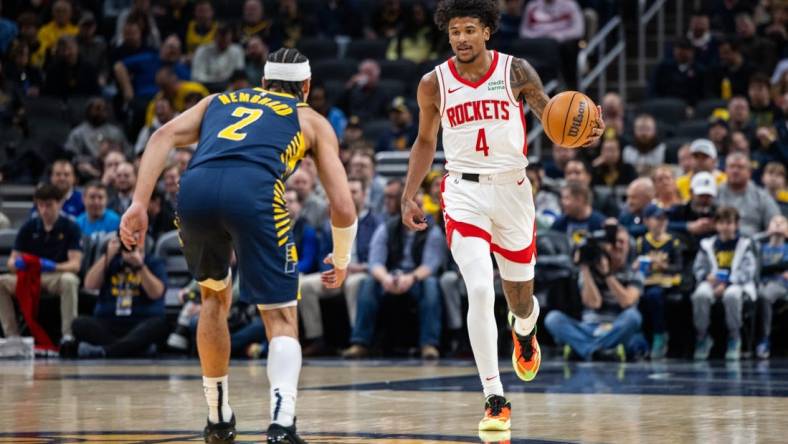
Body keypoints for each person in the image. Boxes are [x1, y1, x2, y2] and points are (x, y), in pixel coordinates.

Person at [119, 47, 356, 444]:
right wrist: (343, 258)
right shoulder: (309, 119)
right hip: (255, 192)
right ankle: (281, 424)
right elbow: (344, 207)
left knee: (213, 298)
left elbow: (162, 137)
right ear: (307, 87)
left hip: (194, 190)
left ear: (262, 83)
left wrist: (139, 204)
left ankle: (217, 414)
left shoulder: (218, 101)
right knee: (280, 318)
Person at [400, 0, 603, 432]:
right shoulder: (433, 83)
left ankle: (524, 331)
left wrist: (582, 133)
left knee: (520, 301)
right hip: (463, 191)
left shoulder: (516, 71)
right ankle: (495, 397)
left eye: (469, 29)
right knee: (477, 287)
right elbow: (423, 141)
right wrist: (407, 194)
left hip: (513, 190)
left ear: (487, 31)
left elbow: (552, 116)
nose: (461, 38)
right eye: (454, 31)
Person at [545, 224, 644, 361]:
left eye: (622, 242)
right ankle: (598, 351)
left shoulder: (635, 273)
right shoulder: (590, 270)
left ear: (629, 246)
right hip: (588, 328)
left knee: (633, 317)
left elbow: (627, 301)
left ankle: (583, 348)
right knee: (553, 318)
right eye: (614, 242)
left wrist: (607, 275)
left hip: (616, 328)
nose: (618, 246)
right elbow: (594, 303)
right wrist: (584, 267)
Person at [0, 185, 82, 348]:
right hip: (30, 276)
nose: (44, 210)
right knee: (1, 281)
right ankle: (12, 336)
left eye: (49, 205)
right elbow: (11, 262)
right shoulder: (29, 227)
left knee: (70, 280)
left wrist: (53, 266)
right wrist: (17, 264)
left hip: (54, 275)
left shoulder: (71, 227)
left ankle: (68, 336)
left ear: (59, 204)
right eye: (41, 205)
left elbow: (75, 265)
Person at [70, 234, 168, 358]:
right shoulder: (111, 261)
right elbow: (89, 284)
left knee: (159, 325)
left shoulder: (153, 262)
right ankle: (134, 349)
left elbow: (156, 293)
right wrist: (107, 255)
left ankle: (108, 351)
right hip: (109, 323)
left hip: (140, 321)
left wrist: (140, 266)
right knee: (79, 323)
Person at [691, 206, 757, 361]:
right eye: (722, 223)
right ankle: (702, 336)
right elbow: (698, 268)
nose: (726, 227)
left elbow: (748, 271)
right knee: (700, 294)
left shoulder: (745, 245)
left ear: (736, 225)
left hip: (737, 283)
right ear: (716, 225)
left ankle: (734, 337)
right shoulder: (706, 244)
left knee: (732, 295)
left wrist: (727, 282)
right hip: (712, 282)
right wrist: (706, 277)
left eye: (729, 223)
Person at [633, 205, 683, 360]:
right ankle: (639, 339)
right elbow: (634, 265)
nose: (661, 222)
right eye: (657, 218)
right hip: (645, 281)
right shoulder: (641, 242)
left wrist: (664, 266)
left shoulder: (673, 242)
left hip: (665, 283)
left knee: (654, 296)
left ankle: (660, 336)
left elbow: (679, 266)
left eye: (664, 219)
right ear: (647, 221)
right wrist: (636, 265)